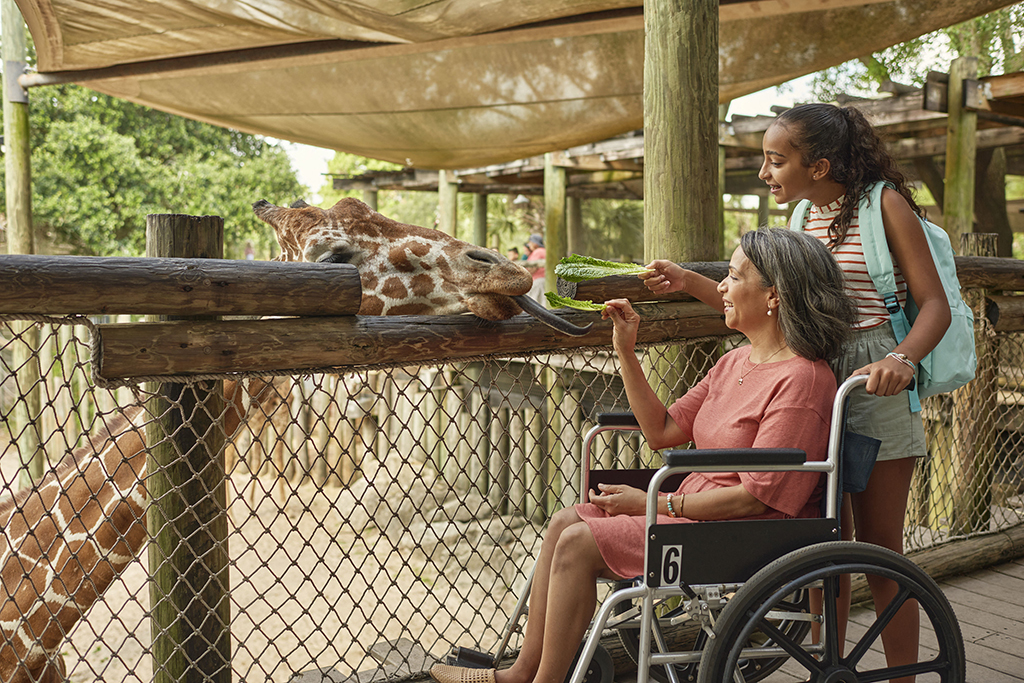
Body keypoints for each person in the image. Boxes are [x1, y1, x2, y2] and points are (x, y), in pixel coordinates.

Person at [429, 229, 856, 683]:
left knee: (579, 542)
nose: (723, 289)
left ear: (773, 296)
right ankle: (519, 674)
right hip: (695, 518)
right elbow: (663, 431)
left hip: (741, 530)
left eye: (732, 277)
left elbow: (755, 500)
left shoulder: (803, 380)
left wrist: (650, 503)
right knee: (562, 523)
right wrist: (626, 352)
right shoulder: (736, 361)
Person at [644, 103, 952, 683]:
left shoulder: (884, 205)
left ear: (821, 165)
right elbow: (776, 304)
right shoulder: (805, 214)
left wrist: (901, 359)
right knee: (819, 545)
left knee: (882, 551)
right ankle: (827, 669)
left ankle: (904, 677)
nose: (764, 173)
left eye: (775, 160)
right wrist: (690, 283)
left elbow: (933, 304)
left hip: (876, 377)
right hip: (811, 376)